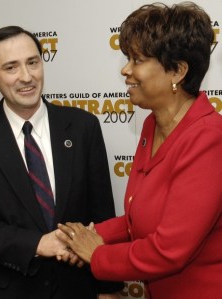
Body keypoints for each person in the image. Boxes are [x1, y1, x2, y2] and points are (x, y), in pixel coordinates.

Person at [0, 26, 123, 299]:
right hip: (6, 290)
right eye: (11, 68)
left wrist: (108, 287)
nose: (26, 77)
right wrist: (38, 243)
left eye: (33, 62)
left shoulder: (83, 127)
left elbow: (102, 213)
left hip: (77, 288)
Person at [56, 2, 222, 299]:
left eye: (137, 59)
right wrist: (86, 238)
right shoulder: (151, 125)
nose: (126, 69)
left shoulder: (210, 139)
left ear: (178, 71)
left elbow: (169, 250)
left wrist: (96, 255)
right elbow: (139, 220)